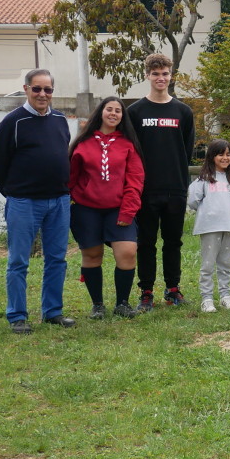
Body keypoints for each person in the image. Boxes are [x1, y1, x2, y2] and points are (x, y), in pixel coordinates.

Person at [0, 69, 75, 334]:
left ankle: (52, 312)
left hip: (59, 201)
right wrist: (15, 193)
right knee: (18, 261)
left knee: (57, 259)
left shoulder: (60, 120)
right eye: (37, 89)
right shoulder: (12, 122)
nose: (42, 94)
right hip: (25, 203)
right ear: (26, 89)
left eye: (47, 90)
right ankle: (17, 316)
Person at [68, 96, 146, 319]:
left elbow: (135, 180)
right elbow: (71, 177)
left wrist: (128, 210)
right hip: (86, 209)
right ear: (100, 112)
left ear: (122, 116)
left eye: (118, 111)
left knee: (128, 253)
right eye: (109, 109)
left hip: (118, 209)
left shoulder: (128, 144)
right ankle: (98, 305)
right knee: (92, 255)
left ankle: (122, 303)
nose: (113, 113)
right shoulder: (83, 143)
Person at [128, 53, 195, 312]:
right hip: (145, 188)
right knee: (145, 242)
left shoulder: (183, 111)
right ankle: (146, 292)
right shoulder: (135, 111)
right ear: (147, 75)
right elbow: (131, 151)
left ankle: (173, 289)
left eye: (165, 73)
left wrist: (177, 176)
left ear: (171, 75)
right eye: (155, 74)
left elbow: (186, 149)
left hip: (175, 187)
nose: (160, 78)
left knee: (173, 241)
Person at [187, 139, 230, 313]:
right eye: (221, 154)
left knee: (226, 263)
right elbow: (192, 201)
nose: (225, 158)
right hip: (210, 227)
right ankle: (207, 299)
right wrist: (209, 212)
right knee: (208, 264)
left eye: (228, 154)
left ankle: (225, 296)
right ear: (212, 156)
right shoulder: (203, 179)